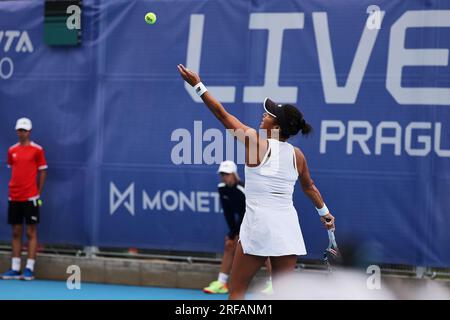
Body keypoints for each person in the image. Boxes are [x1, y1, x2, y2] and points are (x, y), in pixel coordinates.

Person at [178, 64, 335, 300]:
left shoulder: (255, 142)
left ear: (278, 126)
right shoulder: (297, 155)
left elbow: (222, 114)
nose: (265, 114)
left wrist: (197, 86)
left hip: (259, 226)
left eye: (270, 114)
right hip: (287, 228)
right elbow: (309, 187)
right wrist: (325, 213)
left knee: (237, 291)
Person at [203, 160, 273, 294]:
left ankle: (274, 284)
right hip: (245, 221)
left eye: (227, 174)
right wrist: (231, 233)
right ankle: (222, 283)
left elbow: (245, 213)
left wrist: (234, 232)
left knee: (264, 250)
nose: (224, 177)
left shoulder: (243, 189)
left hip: (259, 218)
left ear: (234, 174)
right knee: (230, 245)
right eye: (222, 174)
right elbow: (228, 212)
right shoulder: (222, 188)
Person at [1, 118, 47, 281]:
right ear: (17, 131)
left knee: (30, 232)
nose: (22, 133)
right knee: (16, 232)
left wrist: (37, 192)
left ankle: (29, 269)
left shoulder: (37, 150)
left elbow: (43, 171)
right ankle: (14, 268)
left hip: (30, 197)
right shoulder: (12, 150)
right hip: (14, 196)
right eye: (20, 130)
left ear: (30, 131)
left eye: (25, 130)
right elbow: (14, 170)